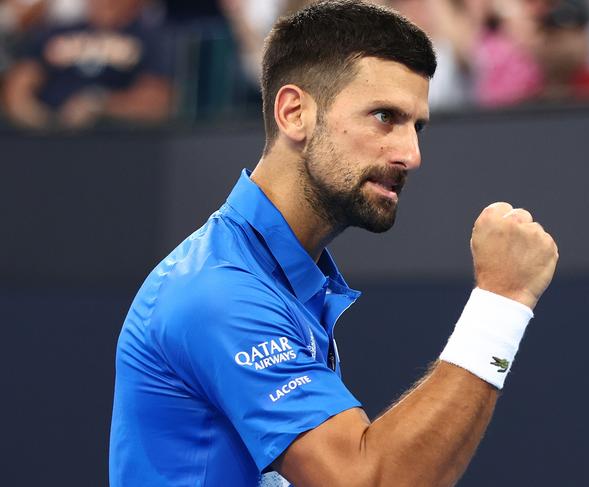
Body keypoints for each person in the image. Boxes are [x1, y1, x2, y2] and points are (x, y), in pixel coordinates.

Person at [109, 1, 558, 486]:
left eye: (417, 126)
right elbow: (369, 480)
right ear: (294, 113)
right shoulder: (219, 292)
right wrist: (501, 301)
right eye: (385, 116)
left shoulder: (279, 276)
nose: (411, 154)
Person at [2, 0, 173, 129]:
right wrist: (36, 118)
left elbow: (157, 102)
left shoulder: (150, 38)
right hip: (47, 140)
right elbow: (20, 82)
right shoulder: (56, 32)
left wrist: (100, 105)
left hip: (116, 142)